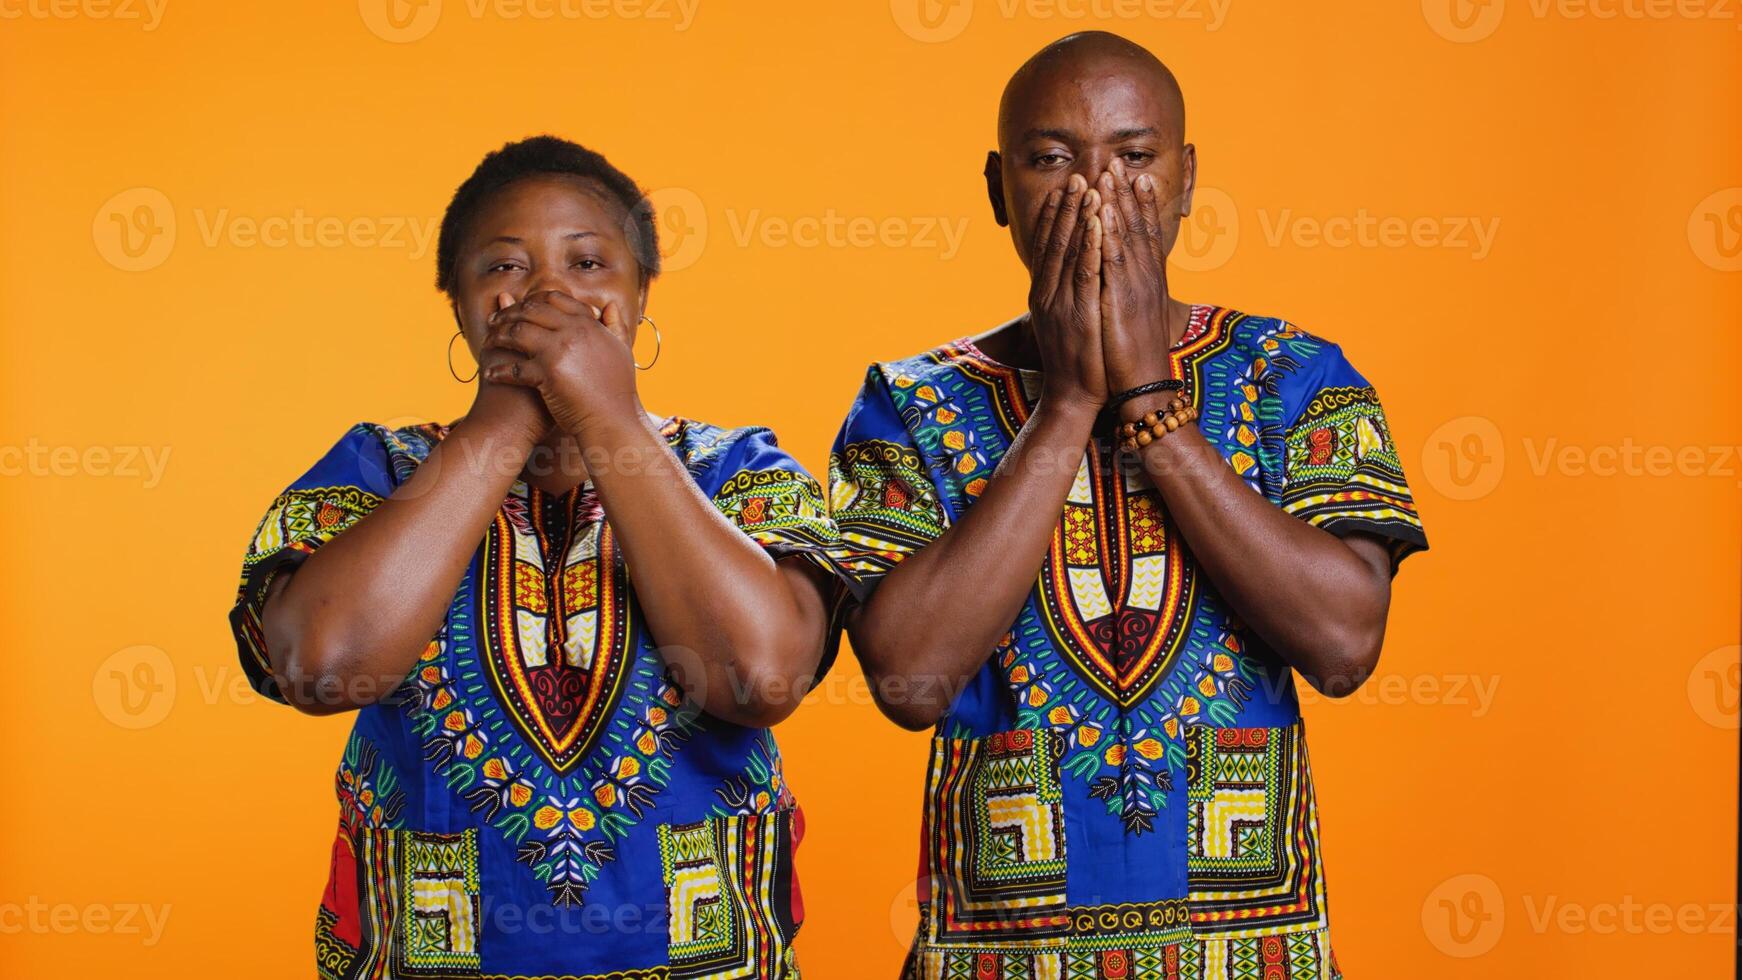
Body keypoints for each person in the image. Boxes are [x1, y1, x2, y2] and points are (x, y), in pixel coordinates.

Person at [827, 33, 1428, 978]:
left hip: (1247, 954)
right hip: (1001, 955)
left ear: (1187, 179)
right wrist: (1068, 404)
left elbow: (1346, 645)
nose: (1095, 193)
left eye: (1134, 159)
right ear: (997, 188)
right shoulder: (909, 402)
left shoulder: (1296, 375)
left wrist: (1152, 400)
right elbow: (908, 680)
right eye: (1051, 159)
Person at [228, 135, 838, 978]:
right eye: (505, 269)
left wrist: (608, 420)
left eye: (589, 264)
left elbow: (760, 678)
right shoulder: (378, 468)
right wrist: (509, 418)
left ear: (639, 295)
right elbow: (325, 666)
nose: (549, 294)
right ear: (460, 305)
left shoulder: (738, 469)